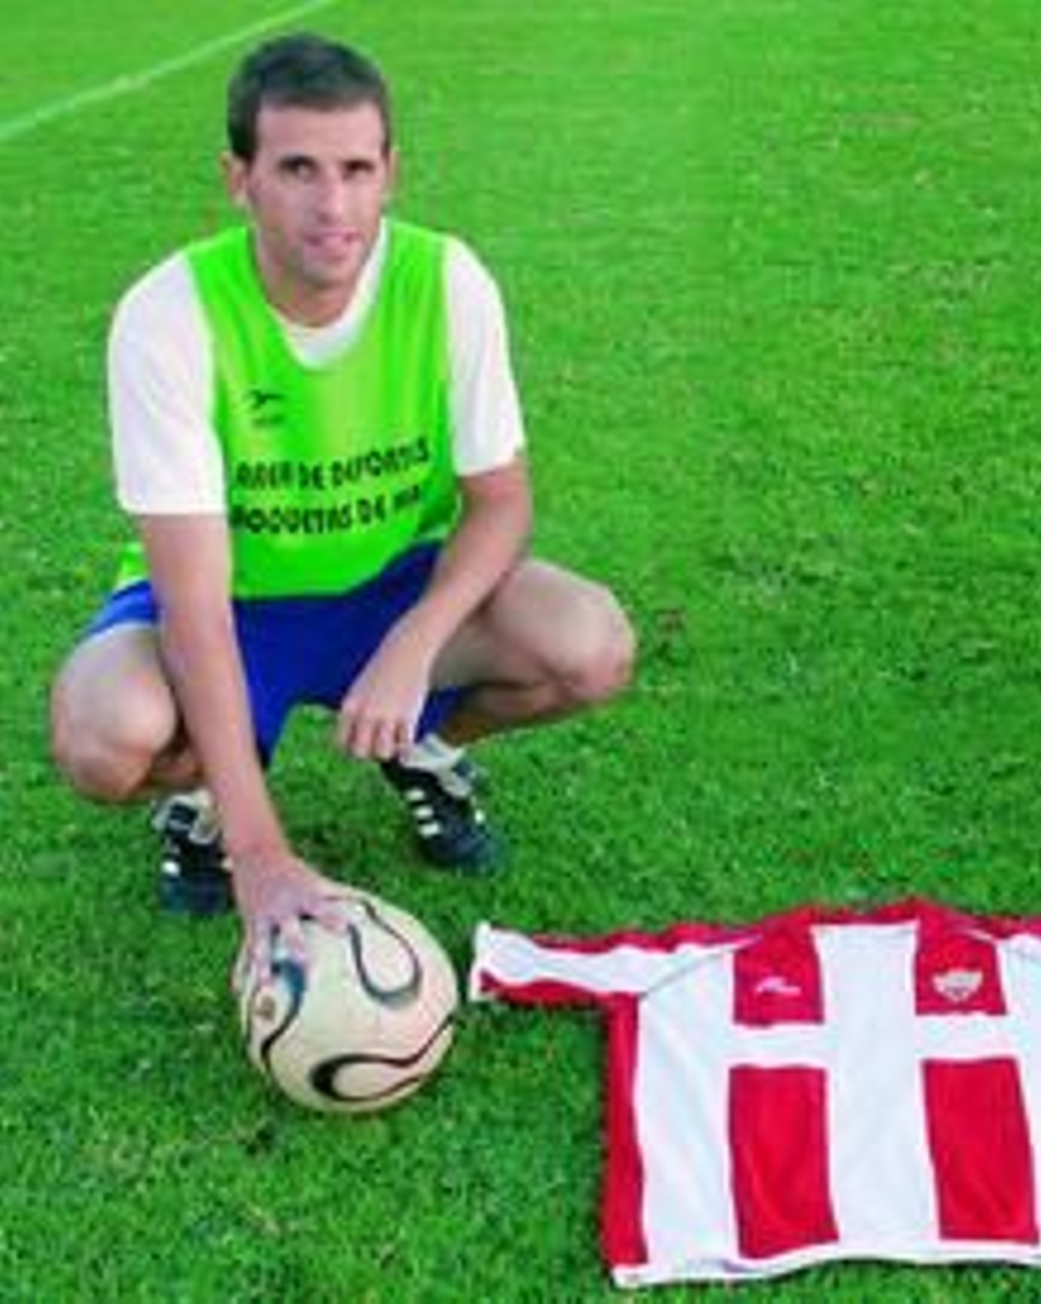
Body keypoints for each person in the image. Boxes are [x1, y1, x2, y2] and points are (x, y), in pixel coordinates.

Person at [48, 33, 634, 989]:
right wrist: (262, 856)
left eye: (357, 169)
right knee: (103, 735)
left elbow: (500, 504)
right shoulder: (171, 316)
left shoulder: (447, 283)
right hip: (234, 609)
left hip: (387, 597)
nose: (334, 206)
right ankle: (208, 799)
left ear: (391, 173)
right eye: (298, 171)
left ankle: (424, 747)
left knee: (590, 641)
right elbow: (195, 609)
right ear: (239, 179)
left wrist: (412, 645)